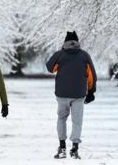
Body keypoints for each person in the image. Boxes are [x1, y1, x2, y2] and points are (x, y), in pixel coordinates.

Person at [46, 31, 97, 159]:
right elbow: (92, 75)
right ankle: (74, 149)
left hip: (62, 93)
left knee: (61, 119)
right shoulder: (84, 56)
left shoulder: (60, 55)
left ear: (65, 42)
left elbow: (50, 68)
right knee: (77, 121)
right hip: (78, 94)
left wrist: (59, 54)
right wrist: (91, 91)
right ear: (77, 42)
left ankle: (62, 148)